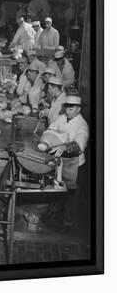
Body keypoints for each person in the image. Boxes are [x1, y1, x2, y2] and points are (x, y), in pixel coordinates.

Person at [47, 95, 89, 227]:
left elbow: (79, 145)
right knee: (58, 188)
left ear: (78, 109)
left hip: (75, 165)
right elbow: (52, 128)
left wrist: (64, 146)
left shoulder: (82, 125)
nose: (67, 111)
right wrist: (47, 140)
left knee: (71, 194)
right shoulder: (63, 118)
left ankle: (68, 222)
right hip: (62, 161)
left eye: (71, 109)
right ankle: (54, 215)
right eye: (66, 108)